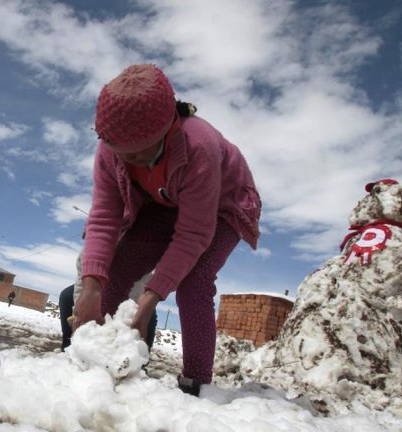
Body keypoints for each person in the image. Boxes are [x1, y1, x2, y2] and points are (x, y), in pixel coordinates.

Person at [73, 64, 261, 396]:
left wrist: (152, 296)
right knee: (116, 271)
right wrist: (91, 287)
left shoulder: (198, 146)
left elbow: (193, 234)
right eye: (124, 154)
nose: (134, 161)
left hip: (221, 207)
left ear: (169, 128)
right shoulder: (110, 150)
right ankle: (102, 363)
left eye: (143, 151)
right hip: (163, 205)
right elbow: (104, 217)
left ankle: (196, 382)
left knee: (194, 282)